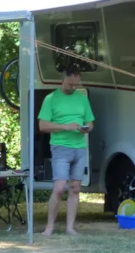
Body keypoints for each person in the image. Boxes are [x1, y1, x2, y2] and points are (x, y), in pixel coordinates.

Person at [38, 67, 95, 236]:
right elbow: (42, 125)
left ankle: (70, 227)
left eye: (76, 85)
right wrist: (65, 127)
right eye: (71, 84)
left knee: (75, 187)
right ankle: (49, 227)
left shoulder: (82, 99)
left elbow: (90, 122)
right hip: (60, 146)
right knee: (59, 187)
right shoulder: (51, 99)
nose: (73, 88)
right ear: (62, 80)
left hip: (80, 147)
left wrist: (86, 128)